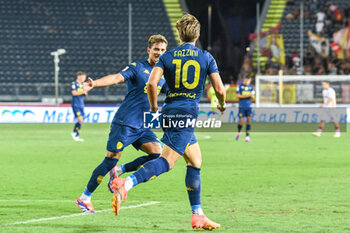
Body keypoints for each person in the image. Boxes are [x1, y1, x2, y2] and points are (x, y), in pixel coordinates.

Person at [111, 14, 226, 230]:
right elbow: (219, 89)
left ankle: (198, 215)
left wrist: (155, 109)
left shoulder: (168, 56)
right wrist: (222, 104)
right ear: (198, 35)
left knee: (195, 160)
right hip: (186, 113)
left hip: (171, 111)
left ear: (179, 34)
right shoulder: (206, 57)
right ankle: (126, 182)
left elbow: (152, 85)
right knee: (168, 162)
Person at [75, 35, 168, 213]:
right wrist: (95, 83)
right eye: (156, 49)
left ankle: (119, 171)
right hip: (125, 122)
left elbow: (171, 92)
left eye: (163, 50)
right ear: (149, 50)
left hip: (143, 125)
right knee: (109, 160)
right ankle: (84, 198)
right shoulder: (137, 67)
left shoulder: (162, 75)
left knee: (158, 154)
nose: (159, 53)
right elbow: (117, 77)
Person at [235, 76, 255, 142]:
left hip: (249, 106)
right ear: (244, 80)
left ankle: (247, 137)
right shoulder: (240, 86)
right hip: (242, 106)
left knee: (249, 121)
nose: (247, 82)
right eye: (246, 80)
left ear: (250, 80)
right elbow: (238, 96)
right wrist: (248, 95)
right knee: (241, 122)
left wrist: (247, 96)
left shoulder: (251, 87)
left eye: (248, 80)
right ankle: (239, 131)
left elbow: (253, 96)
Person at [71, 72, 88, 142]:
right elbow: (74, 93)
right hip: (76, 104)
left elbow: (85, 94)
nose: (84, 78)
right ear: (79, 77)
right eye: (83, 77)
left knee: (81, 120)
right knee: (80, 119)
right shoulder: (74, 84)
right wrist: (82, 92)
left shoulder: (82, 85)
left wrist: (85, 92)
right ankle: (75, 133)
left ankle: (75, 133)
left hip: (81, 104)